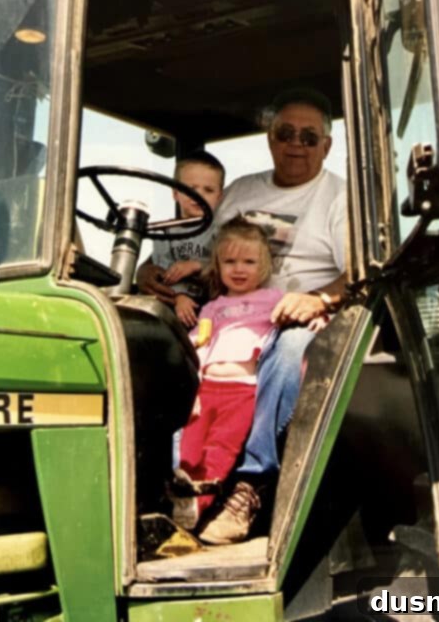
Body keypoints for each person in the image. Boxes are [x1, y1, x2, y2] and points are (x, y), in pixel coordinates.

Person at [137, 87, 347, 544]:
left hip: (296, 318)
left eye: (309, 138)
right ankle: (156, 481)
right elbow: (194, 247)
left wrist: (318, 301)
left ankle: (251, 484)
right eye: (285, 133)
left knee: (290, 347)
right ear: (269, 138)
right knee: (142, 335)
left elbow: (360, 273)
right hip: (227, 313)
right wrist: (147, 271)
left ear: (326, 146)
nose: (296, 144)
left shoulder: (338, 197)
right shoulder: (241, 191)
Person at [171, 217, 282, 531]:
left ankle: (199, 507)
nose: (239, 268)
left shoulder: (273, 299)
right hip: (207, 388)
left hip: (242, 390)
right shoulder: (212, 308)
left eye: (249, 261)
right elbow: (199, 343)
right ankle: (182, 497)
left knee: (222, 447)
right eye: (230, 261)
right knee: (190, 446)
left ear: (264, 266)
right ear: (217, 265)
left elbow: (290, 319)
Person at [148, 151, 225, 326]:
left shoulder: (220, 233)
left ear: (219, 197)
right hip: (171, 304)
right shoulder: (164, 231)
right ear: (175, 193)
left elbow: (225, 268)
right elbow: (162, 273)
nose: (199, 196)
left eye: (209, 190)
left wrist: (197, 265)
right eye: (191, 189)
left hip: (210, 305)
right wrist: (178, 297)